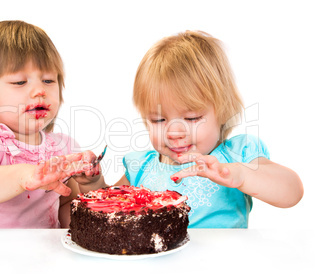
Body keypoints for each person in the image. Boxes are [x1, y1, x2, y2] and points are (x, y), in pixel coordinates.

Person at [113, 31, 304, 228]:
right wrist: (91, 182)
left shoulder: (237, 154)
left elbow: (292, 191)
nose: (174, 132)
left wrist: (241, 175)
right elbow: (104, 209)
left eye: (191, 118)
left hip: (223, 259)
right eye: (159, 119)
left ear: (222, 112)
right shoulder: (141, 167)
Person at [0, 20, 104, 229]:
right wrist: (27, 175)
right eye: (19, 82)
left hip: (44, 257)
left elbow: (66, 201)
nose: (39, 91)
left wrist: (87, 187)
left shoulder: (62, 147)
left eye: (48, 81)